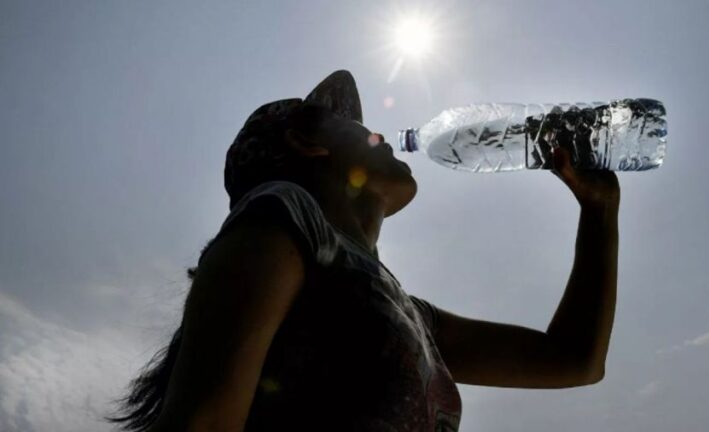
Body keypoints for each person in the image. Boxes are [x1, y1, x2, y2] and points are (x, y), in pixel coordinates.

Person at [106, 70, 620, 431]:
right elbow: (202, 424)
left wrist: (599, 211)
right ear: (308, 141)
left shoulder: (407, 312)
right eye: (360, 128)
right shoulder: (282, 217)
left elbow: (574, 361)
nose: (381, 136)